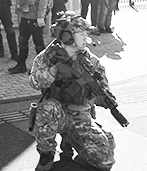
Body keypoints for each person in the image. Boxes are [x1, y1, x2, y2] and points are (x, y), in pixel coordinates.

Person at [29, 11, 115, 171]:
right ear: (67, 37)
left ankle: (72, 139)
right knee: (47, 108)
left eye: (85, 33)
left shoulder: (90, 61)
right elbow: (34, 81)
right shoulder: (48, 56)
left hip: (81, 116)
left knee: (105, 161)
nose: (85, 37)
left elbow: (104, 88)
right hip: (57, 114)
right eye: (81, 34)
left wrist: (102, 97)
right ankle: (47, 153)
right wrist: (54, 71)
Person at [9, 0, 52, 75]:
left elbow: (44, 1)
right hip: (25, 17)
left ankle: (43, 67)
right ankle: (21, 64)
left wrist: (40, 17)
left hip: (35, 18)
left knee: (38, 43)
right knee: (22, 42)